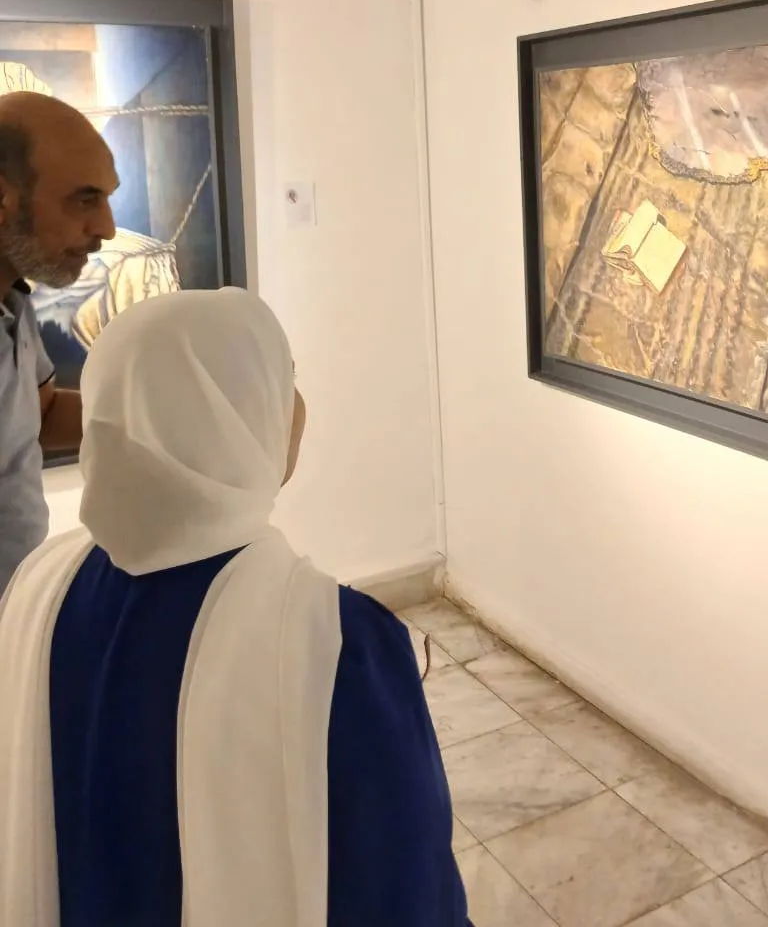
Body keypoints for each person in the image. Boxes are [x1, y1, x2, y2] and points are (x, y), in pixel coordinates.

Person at [0, 287, 471, 927]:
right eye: (286, 380)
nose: (297, 406)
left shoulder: (39, 586)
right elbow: (407, 890)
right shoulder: (332, 643)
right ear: (233, 413)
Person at [0, 90, 118, 592]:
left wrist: (165, 414)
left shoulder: (14, 303)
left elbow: (41, 413)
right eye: (84, 199)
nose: (107, 228)